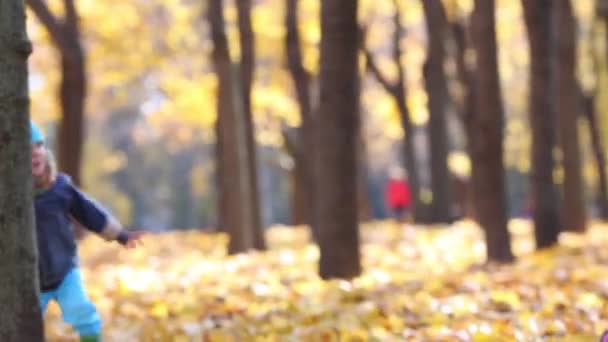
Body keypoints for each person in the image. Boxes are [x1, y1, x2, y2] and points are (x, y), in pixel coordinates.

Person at [31, 121, 145, 342]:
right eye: (27, 149)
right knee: (22, 323)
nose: (35, 153)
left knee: (82, 309)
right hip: (29, 278)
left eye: (39, 146)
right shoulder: (10, 197)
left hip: (64, 270)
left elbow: (89, 212)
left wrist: (121, 235)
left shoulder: (60, 187)